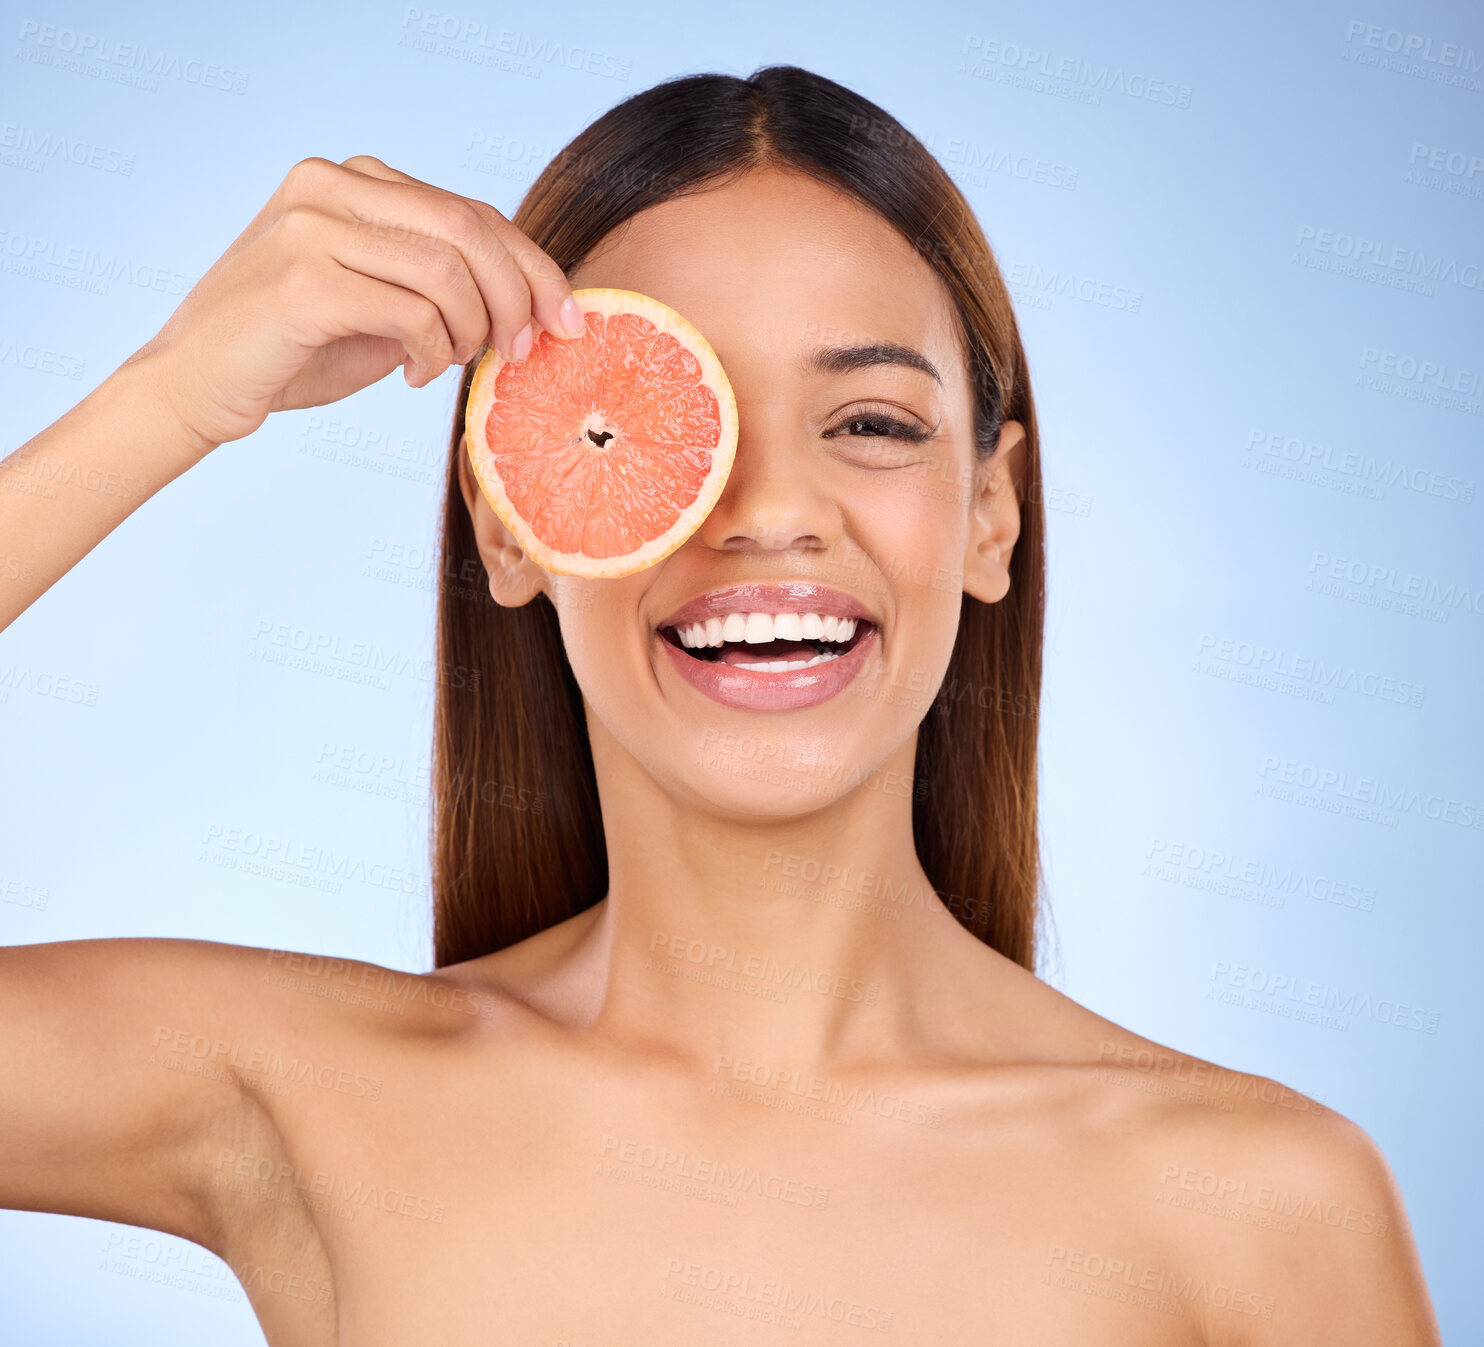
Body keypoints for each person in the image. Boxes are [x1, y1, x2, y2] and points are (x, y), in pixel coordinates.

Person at [0, 65, 1441, 1344]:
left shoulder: (1266, 1203)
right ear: (511, 524)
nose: (764, 511)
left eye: (871, 423)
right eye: (646, 429)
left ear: (992, 515)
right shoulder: (298, 1100)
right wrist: (174, 396)